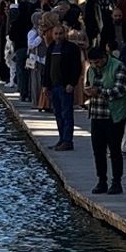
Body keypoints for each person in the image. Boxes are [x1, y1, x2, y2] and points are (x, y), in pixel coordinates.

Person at [85, 46, 126, 195]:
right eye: (92, 63)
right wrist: (89, 91)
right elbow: (89, 85)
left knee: (114, 149)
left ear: (105, 57)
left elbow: (120, 90)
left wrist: (99, 91)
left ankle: (116, 182)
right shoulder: (91, 70)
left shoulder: (118, 66)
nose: (95, 65)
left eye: (98, 62)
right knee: (98, 150)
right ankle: (101, 180)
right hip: (97, 114)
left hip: (114, 114)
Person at [46, 15, 82, 151]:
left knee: (67, 114)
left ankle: (68, 140)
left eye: (60, 33)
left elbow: (76, 67)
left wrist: (72, 83)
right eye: (56, 34)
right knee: (58, 114)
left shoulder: (71, 48)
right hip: (54, 86)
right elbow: (47, 67)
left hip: (65, 86)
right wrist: (46, 85)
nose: (58, 36)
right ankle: (61, 139)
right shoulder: (51, 47)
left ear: (65, 34)